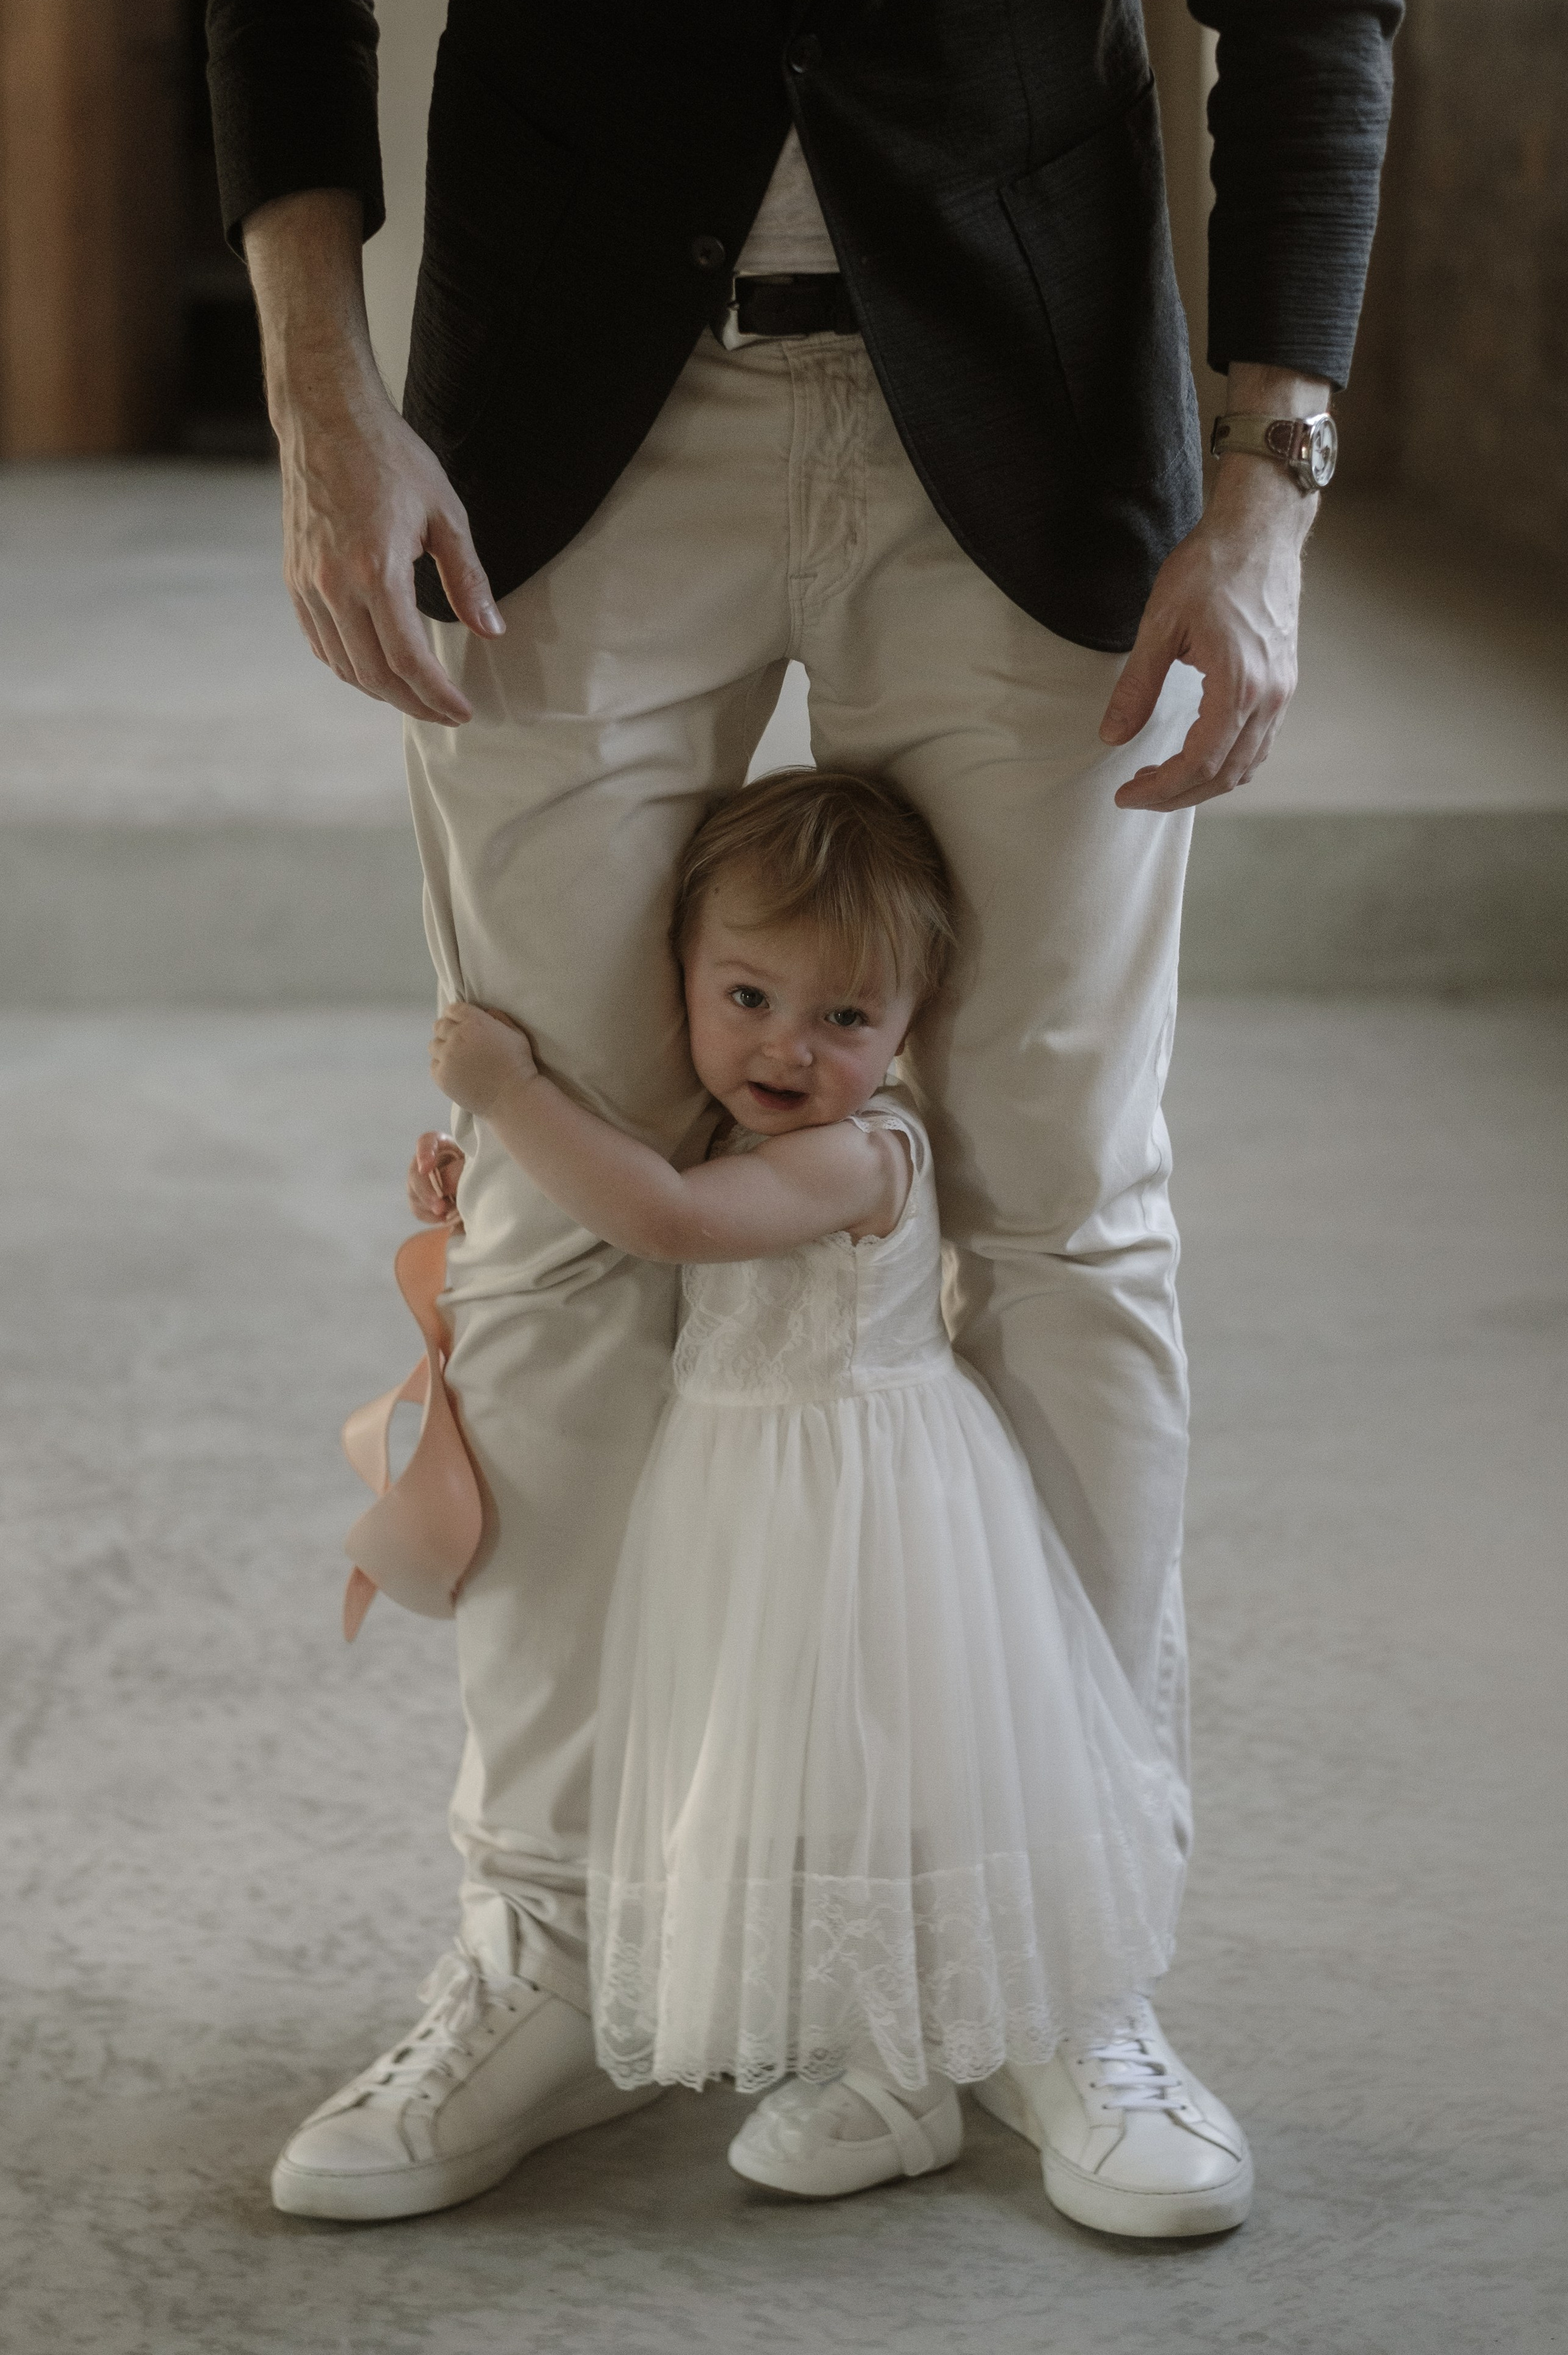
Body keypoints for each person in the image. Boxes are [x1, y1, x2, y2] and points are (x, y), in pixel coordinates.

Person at [201, 0, 1400, 2237]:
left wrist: (1268, 488)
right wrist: (326, 407)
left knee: (1064, 1211)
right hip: (562, 430)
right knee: (551, 1214)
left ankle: (1068, 1967)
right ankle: (543, 1940)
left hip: (1034, 423)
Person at [411, 770, 1208, 2209]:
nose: (789, 1047)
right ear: (683, 980)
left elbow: (663, 1215)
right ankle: (853, 2046)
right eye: (748, 996)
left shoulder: (858, 1151)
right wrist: (487, 1167)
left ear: (912, 1026)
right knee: (775, 1770)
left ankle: (908, 2069)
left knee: (877, 1768)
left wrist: (513, 1096)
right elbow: (646, 1181)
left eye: (845, 1017)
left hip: (857, 1504)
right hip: (750, 1497)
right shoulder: (744, 1122)